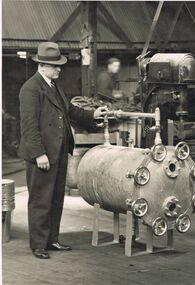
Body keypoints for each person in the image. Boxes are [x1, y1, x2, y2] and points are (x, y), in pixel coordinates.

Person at [19, 42, 108, 259]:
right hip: (43, 154)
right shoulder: (31, 89)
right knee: (41, 199)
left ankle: (52, 239)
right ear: (42, 65)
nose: (60, 69)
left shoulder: (53, 85)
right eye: (55, 65)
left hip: (58, 152)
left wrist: (93, 115)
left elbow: (70, 110)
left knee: (56, 198)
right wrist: (39, 153)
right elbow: (29, 126)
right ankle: (38, 244)